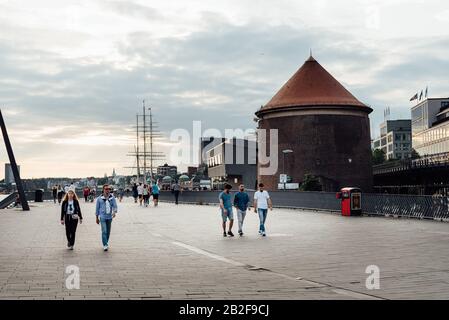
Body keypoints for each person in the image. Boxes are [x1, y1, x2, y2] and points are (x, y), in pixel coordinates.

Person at [95, 184, 118, 251]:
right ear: (103, 190)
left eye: (108, 189)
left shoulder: (112, 198)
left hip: (109, 217)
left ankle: (106, 242)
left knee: (108, 232)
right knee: (104, 231)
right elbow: (97, 209)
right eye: (106, 189)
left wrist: (114, 212)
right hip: (102, 217)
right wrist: (96, 217)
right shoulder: (99, 199)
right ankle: (105, 245)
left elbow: (115, 206)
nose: (107, 190)